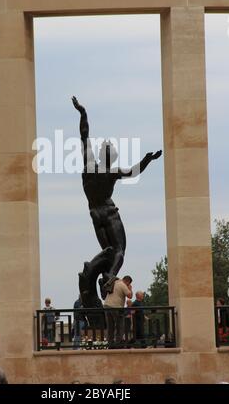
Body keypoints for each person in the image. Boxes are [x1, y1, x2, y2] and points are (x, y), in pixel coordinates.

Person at [72, 96, 162, 308]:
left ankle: (105, 279)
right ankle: (110, 276)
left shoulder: (89, 164)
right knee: (119, 249)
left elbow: (84, 136)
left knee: (108, 253)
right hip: (109, 213)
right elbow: (133, 171)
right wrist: (148, 159)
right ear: (112, 158)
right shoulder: (112, 172)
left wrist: (83, 113)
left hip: (95, 214)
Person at [104, 275, 133, 348]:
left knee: (110, 326)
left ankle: (110, 343)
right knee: (120, 325)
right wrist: (130, 289)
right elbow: (130, 296)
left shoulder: (115, 282)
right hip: (116, 307)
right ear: (127, 281)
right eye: (128, 284)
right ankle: (118, 343)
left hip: (107, 305)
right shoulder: (123, 285)